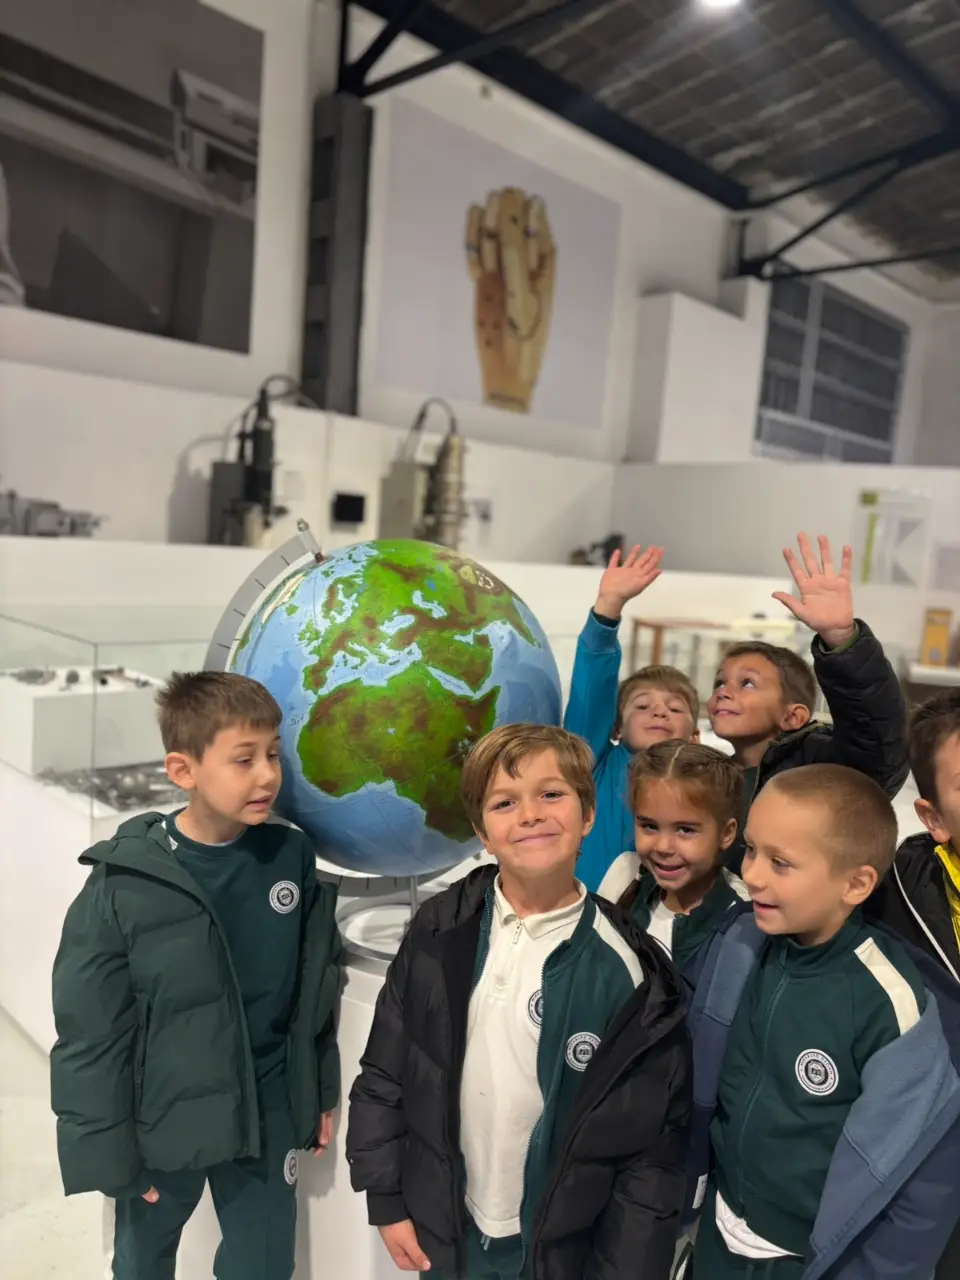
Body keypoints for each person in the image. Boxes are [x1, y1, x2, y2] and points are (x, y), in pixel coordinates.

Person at [346, 723, 690, 1280]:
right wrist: (385, 1195)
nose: (530, 814)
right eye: (505, 802)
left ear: (588, 815)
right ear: (483, 832)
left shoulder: (626, 972)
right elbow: (386, 1069)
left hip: (554, 1250)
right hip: (448, 1226)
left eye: (551, 794)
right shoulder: (440, 928)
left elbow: (647, 1155)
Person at [50, 672, 341, 1280]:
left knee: (264, 1264)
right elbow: (90, 1034)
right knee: (141, 1262)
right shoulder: (123, 883)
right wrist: (111, 1154)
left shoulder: (290, 858)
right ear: (184, 770)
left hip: (266, 1114)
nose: (267, 775)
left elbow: (312, 991)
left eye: (273, 755)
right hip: (162, 1120)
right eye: (244, 759)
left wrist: (316, 1087)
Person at [681, 764, 960, 1280]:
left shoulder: (888, 1003)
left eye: (780, 862)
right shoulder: (738, 944)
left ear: (856, 883)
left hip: (808, 1260)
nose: (752, 874)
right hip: (715, 1233)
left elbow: (909, 1176)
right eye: (751, 849)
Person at [707, 533, 908, 873]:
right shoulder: (715, 777)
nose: (725, 691)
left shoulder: (817, 769)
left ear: (793, 716)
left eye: (747, 683)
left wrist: (841, 638)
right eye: (720, 682)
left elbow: (878, 741)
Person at [564, 543, 700, 891]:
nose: (659, 711)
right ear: (616, 728)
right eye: (642, 706)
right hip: (586, 913)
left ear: (695, 737)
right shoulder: (592, 766)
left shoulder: (707, 785)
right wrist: (608, 608)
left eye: (674, 708)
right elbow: (592, 689)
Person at [598, 741, 747, 975]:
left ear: (726, 834)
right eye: (650, 826)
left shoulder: (742, 920)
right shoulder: (624, 875)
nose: (663, 847)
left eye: (685, 830)